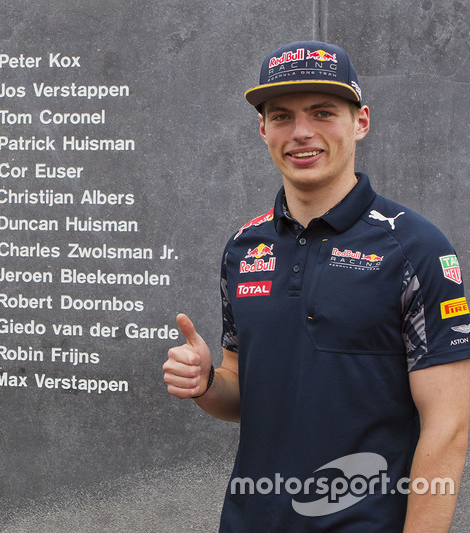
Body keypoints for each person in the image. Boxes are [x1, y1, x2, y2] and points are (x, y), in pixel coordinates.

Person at [163, 41, 470, 531]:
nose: (301, 132)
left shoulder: (416, 248)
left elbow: (449, 427)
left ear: (361, 121)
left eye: (323, 112)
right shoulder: (244, 249)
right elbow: (241, 393)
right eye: (281, 116)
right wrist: (204, 384)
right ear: (263, 129)